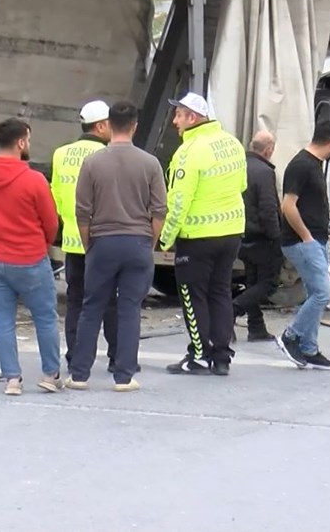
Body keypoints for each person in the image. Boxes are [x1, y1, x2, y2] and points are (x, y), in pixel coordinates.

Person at [67, 100, 167, 392]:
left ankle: (79, 375)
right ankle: (123, 376)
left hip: (102, 242)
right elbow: (159, 210)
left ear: (108, 125)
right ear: (135, 126)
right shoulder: (150, 163)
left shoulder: (92, 162)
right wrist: (149, 242)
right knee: (129, 309)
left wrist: (89, 244)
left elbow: (81, 211)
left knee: (91, 307)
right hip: (138, 242)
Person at [0, 118, 63, 396]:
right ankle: (50, 374)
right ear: (21, 142)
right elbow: (50, 223)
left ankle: (12, 378)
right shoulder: (33, 179)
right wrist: (41, 243)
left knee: (3, 320)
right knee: (45, 317)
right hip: (31, 256)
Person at [159, 92, 248, 376]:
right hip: (231, 231)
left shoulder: (188, 151)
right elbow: (242, 184)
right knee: (221, 291)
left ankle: (198, 355)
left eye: (179, 115)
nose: (175, 121)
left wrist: (165, 238)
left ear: (193, 118)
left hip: (198, 235)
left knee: (192, 294)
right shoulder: (232, 144)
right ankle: (221, 356)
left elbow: (178, 201)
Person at [52, 100, 119, 373]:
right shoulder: (110, 155)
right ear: (101, 125)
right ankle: (117, 358)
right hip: (104, 241)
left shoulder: (61, 154)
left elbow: (55, 195)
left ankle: (75, 358)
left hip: (73, 242)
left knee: (77, 301)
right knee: (110, 301)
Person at [275, 122, 330, 372]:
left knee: (315, 292)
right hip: (304, 241)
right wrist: (306, 236)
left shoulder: (313, 164)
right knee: (323, 293)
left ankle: (309, 348)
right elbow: (288, 205)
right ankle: (291, 336)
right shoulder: (302, 165)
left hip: (315, 238)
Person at [234, 130, 282, 342]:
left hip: (239, 233)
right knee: (269, 282)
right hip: (261, 236)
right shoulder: (264, 171)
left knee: (253, 282)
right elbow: (268, 208)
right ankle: (231, 310)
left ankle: (256, 327)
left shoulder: (239, 165)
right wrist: (276, 237)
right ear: (269, 149)